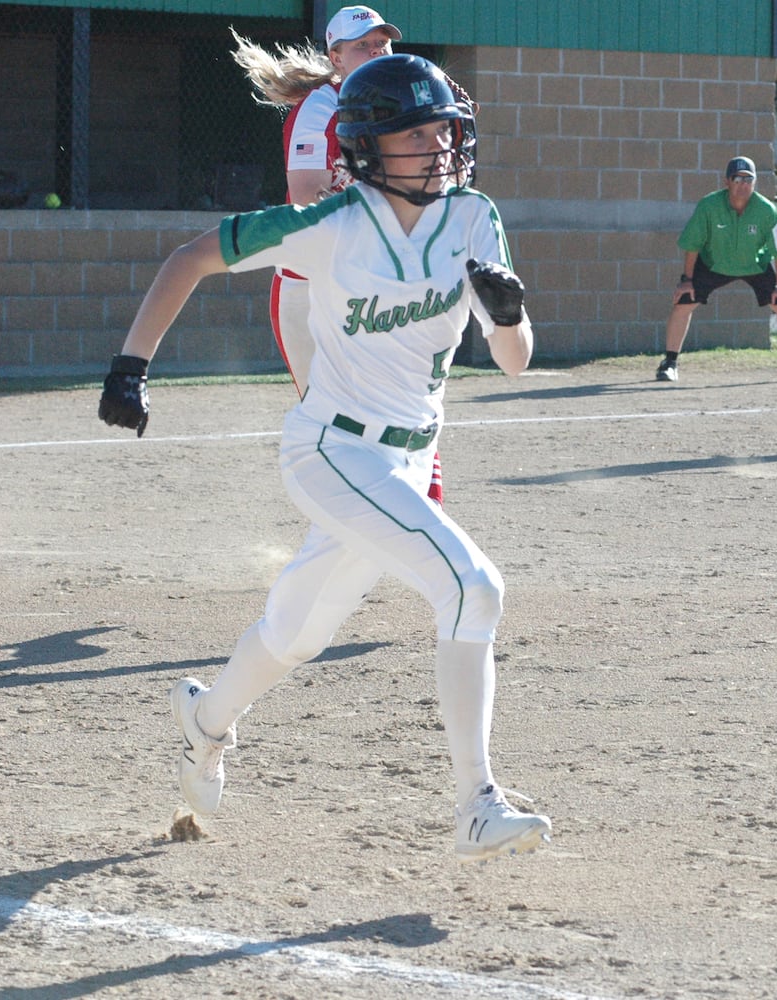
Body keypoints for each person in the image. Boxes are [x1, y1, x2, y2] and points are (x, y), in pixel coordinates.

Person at [96, 55, 551, 862]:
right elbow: (191, 258)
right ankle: (476, 802)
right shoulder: (333, 223)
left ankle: (205, 722)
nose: (437, 144)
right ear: (371, 145)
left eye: (443, 127)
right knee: (473, 587)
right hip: (331, 449)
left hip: (406, 465)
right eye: (415, 131)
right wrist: (130, 365)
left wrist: (510, 316)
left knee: (297, 633)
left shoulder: (474, 216)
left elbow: (514, 361)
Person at [232, 7, 473, 503]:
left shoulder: (398, 107)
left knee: (407, 403)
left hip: (378, 282)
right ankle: (347, 535)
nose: (378, 51)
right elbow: (305, 198)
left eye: (383, 43)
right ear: (335, 57)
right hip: (311, 290)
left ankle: (424, 517)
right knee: (334, 420)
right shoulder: (320, 107)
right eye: (363, 45)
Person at [655, 156, 777, 384]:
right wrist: (687, 279)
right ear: (727, 181)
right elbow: (692, 245)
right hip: (714, 263)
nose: (743, 184)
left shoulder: (767, 211)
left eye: (749, 179)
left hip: (754, 265)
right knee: (683, 302)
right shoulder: (709, 206)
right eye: (738, 179)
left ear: (755, 182)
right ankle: (669, 363)